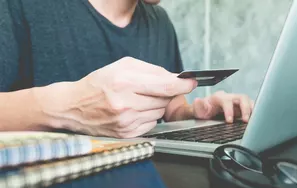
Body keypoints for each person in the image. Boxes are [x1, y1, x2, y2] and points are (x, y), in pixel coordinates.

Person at [0, 0, 254, 138]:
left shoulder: (160, 22)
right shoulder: (21, 6)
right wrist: (68, 107)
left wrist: (199, 113)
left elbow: (172, 107)